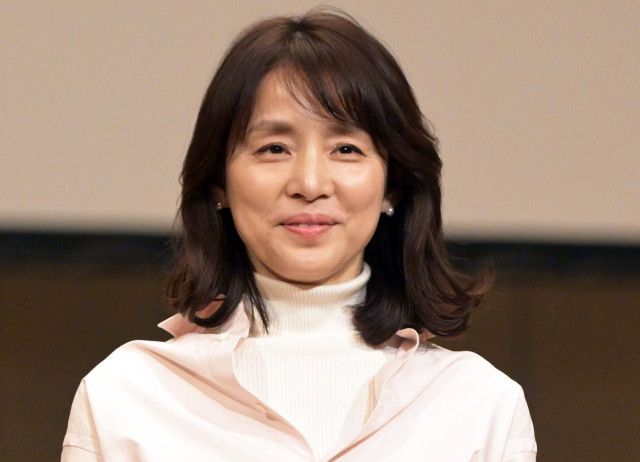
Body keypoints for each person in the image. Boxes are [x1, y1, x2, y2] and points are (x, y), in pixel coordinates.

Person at [61, 7, 537, 461]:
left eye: (346, 148)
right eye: (274, 148)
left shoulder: (479, 405)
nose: (310, 184)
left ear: (392, 184)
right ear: (219, 183)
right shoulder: (126, 397)